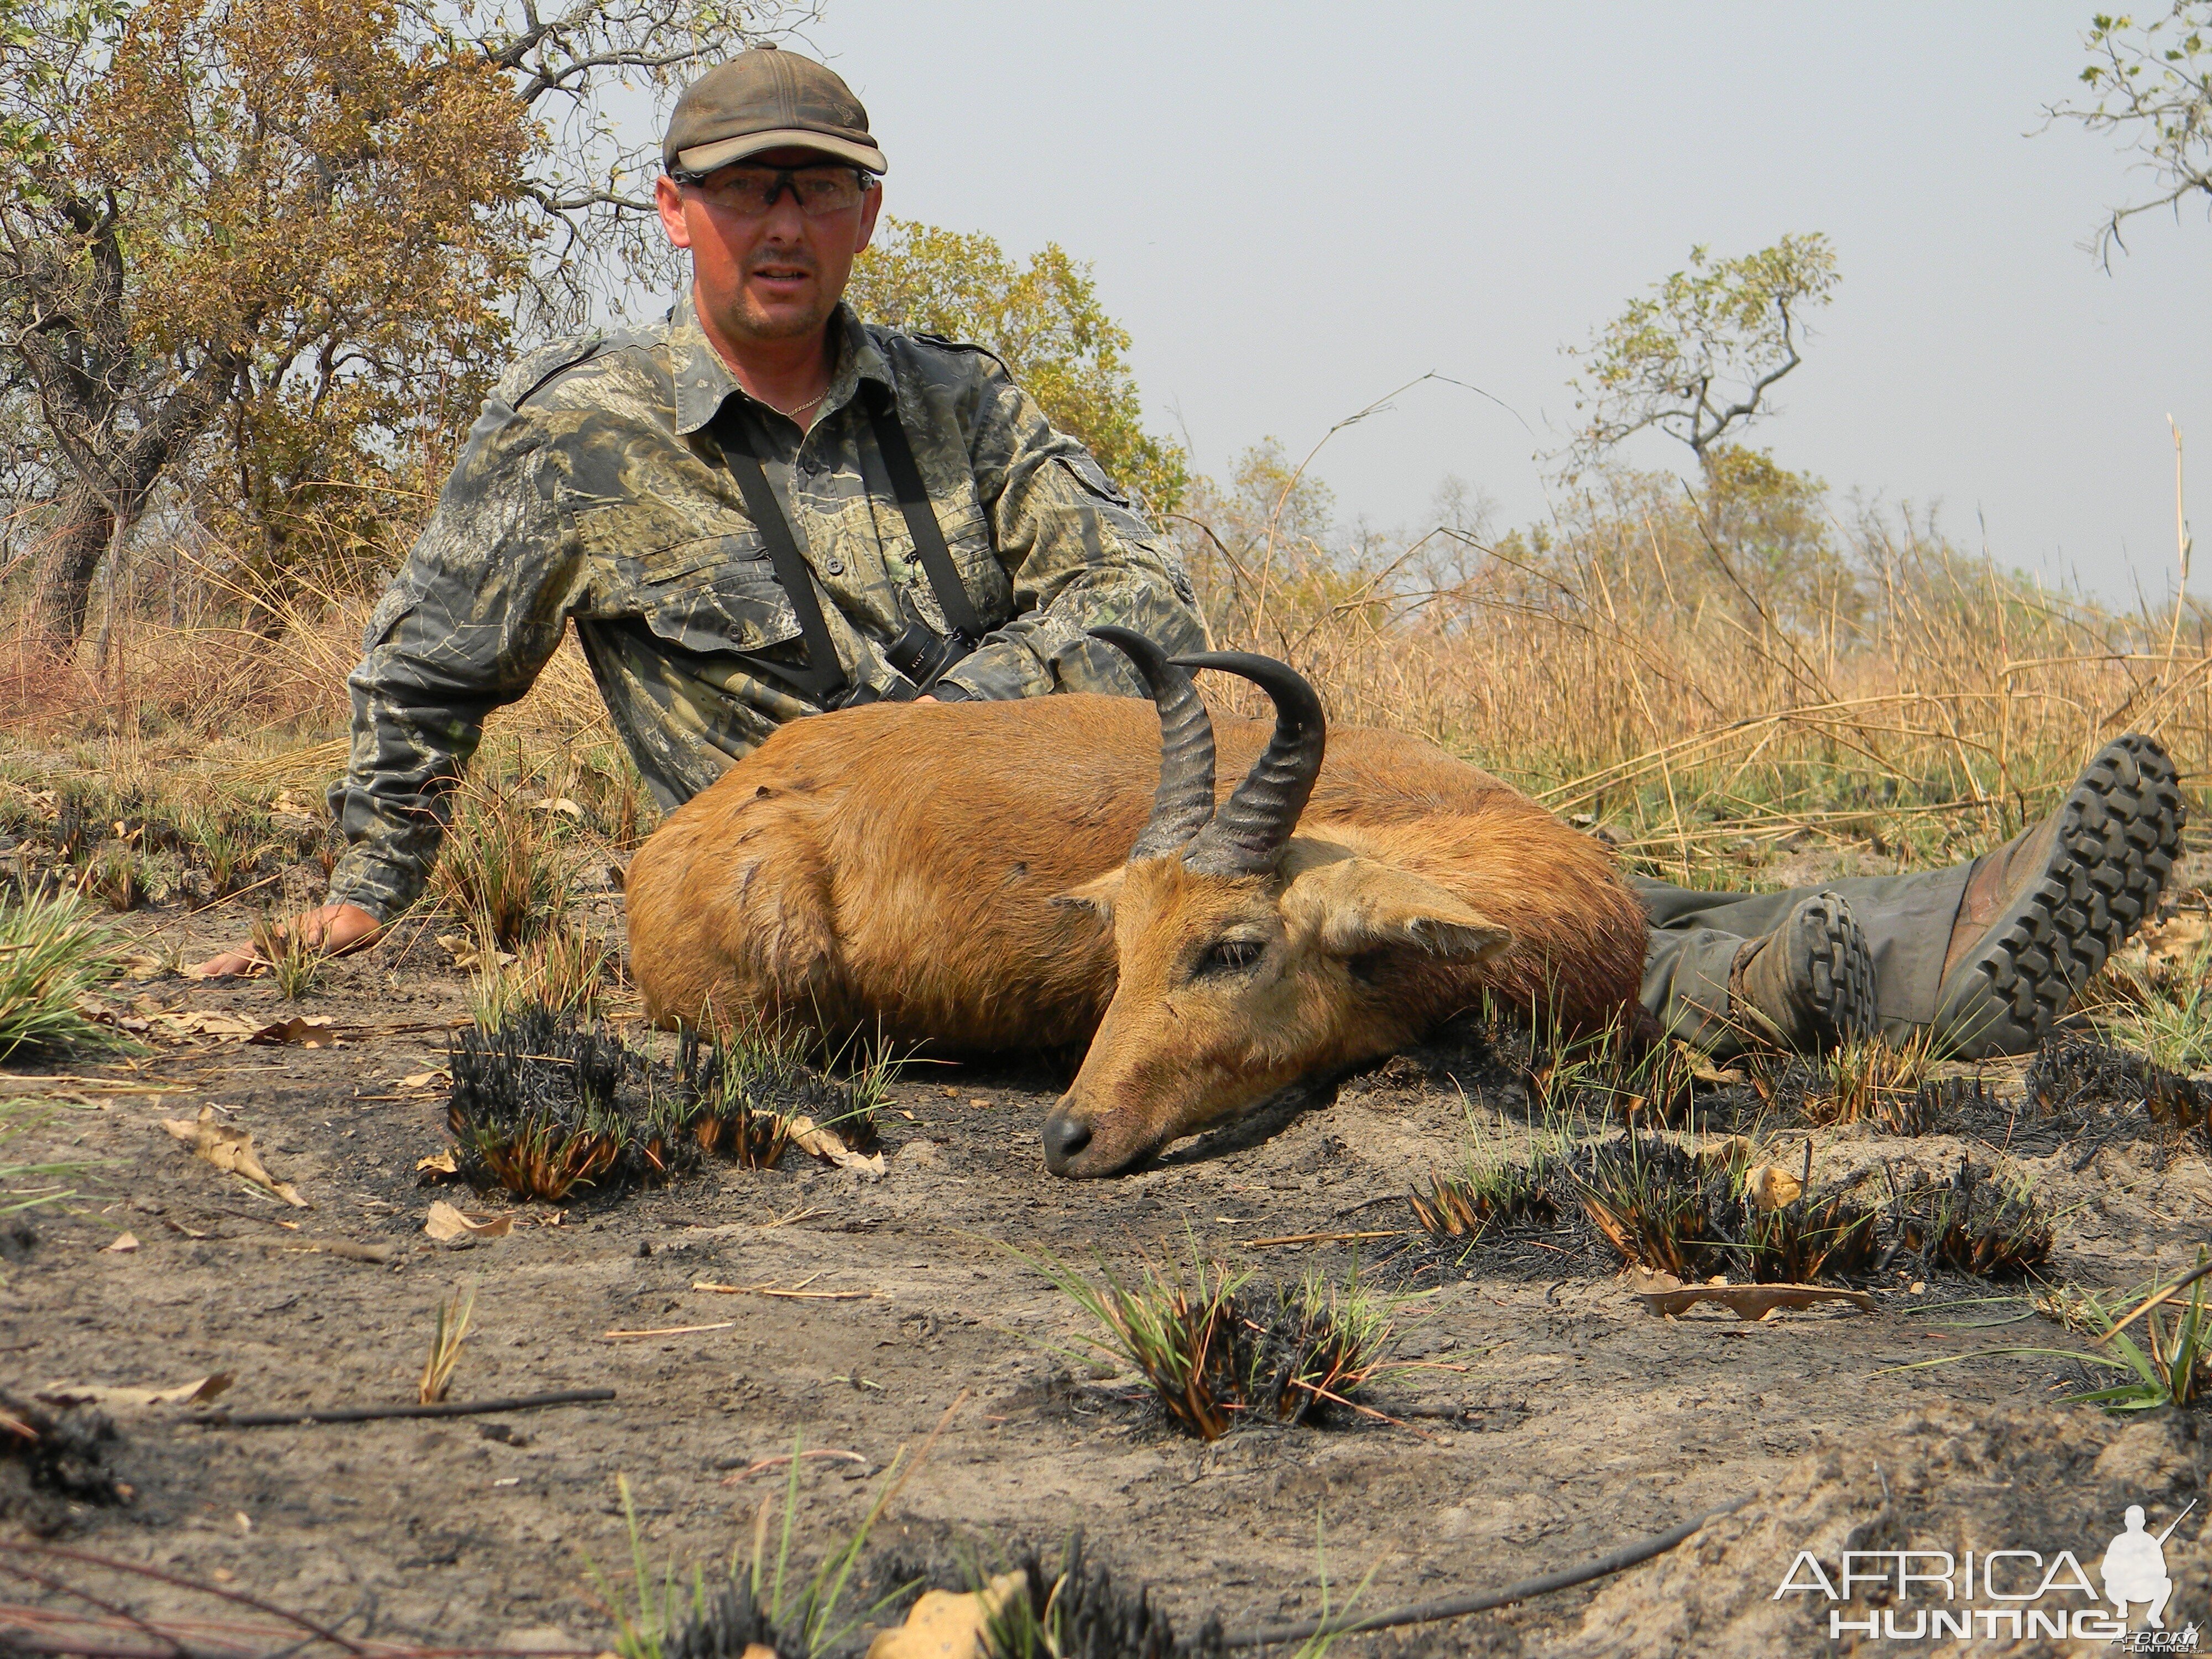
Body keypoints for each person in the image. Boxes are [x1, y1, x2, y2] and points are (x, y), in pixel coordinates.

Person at [195, 48, 2189, 1064]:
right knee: (1360, 941)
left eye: (812, 192)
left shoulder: (966, 402)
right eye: (740, 199)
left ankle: (1867, 929)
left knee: (1386, 857)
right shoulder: (576, 434)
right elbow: (419, 678)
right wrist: (368, 901)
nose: (776, 227)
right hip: (844, 860)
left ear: (868, 211)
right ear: (675, 215)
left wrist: (959, 723)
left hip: (1058, 797)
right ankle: (1825, 978)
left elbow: (1144, 607)